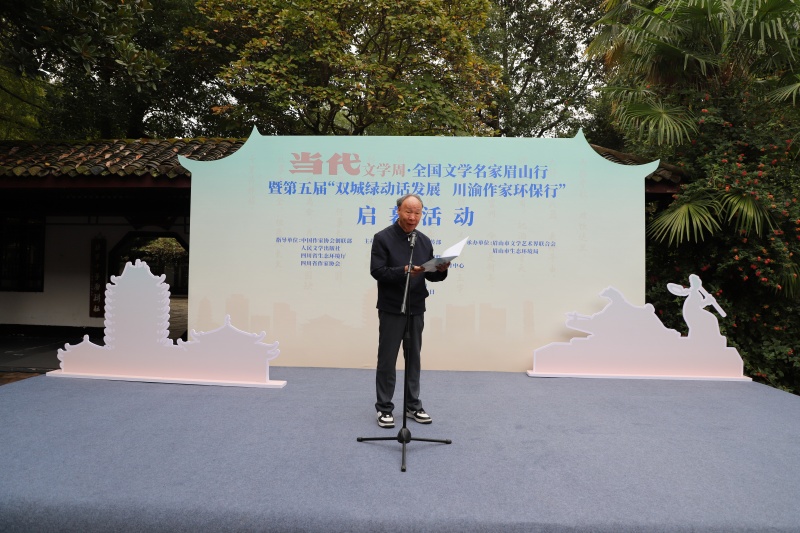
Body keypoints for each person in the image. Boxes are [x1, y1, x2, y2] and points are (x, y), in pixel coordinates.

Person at [370, 193, 450, 428]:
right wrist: (404, 270)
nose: (412, 217)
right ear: (398, 211)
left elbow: (431, 276)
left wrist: (441, 269)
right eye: (408, 212)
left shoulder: (423, 240)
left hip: (416, 307)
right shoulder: (382, 238)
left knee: (413, 357)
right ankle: (384, 407)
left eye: (417, 213)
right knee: (387, 359)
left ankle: (413, 404)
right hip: (392, 307)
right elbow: (377, 271)